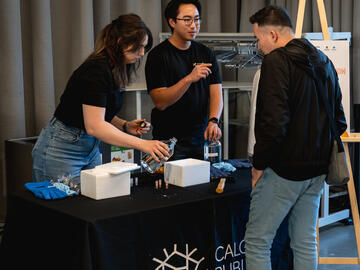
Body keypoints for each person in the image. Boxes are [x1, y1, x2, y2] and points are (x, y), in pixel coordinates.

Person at [244, 5, 347, 270]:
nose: (259, 46)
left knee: (257, 242)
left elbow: (273, 123)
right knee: (305, 241)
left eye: (259, 38)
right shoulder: (323, 60)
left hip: (283, 171)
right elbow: (340, 120)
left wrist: (258, 166)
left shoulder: (276, 61)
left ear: (274, 35)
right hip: (317, 170)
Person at [32, 14, 169, 182]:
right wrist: (143, 144)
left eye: (144, 47)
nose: (141, 53)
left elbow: (99, 112)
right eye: (138, 47)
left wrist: (124, 125)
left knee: (94, 203)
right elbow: (95, 126)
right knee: (60, 204)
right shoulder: (96, 70)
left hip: (89, 148)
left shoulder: (114, 69)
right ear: (120, 42)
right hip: (62, 148)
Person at [145, 0, 223, 160]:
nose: (194, 25)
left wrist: (213, 121)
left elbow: (216, 92)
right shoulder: (159, 55)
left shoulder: (205, 53)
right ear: (172, 22)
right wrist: (189, 79)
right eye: (187, 20)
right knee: (172, 183)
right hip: (169, 140)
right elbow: (160, 102)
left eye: (197, 19)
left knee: (204, 182)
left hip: (200, 136)